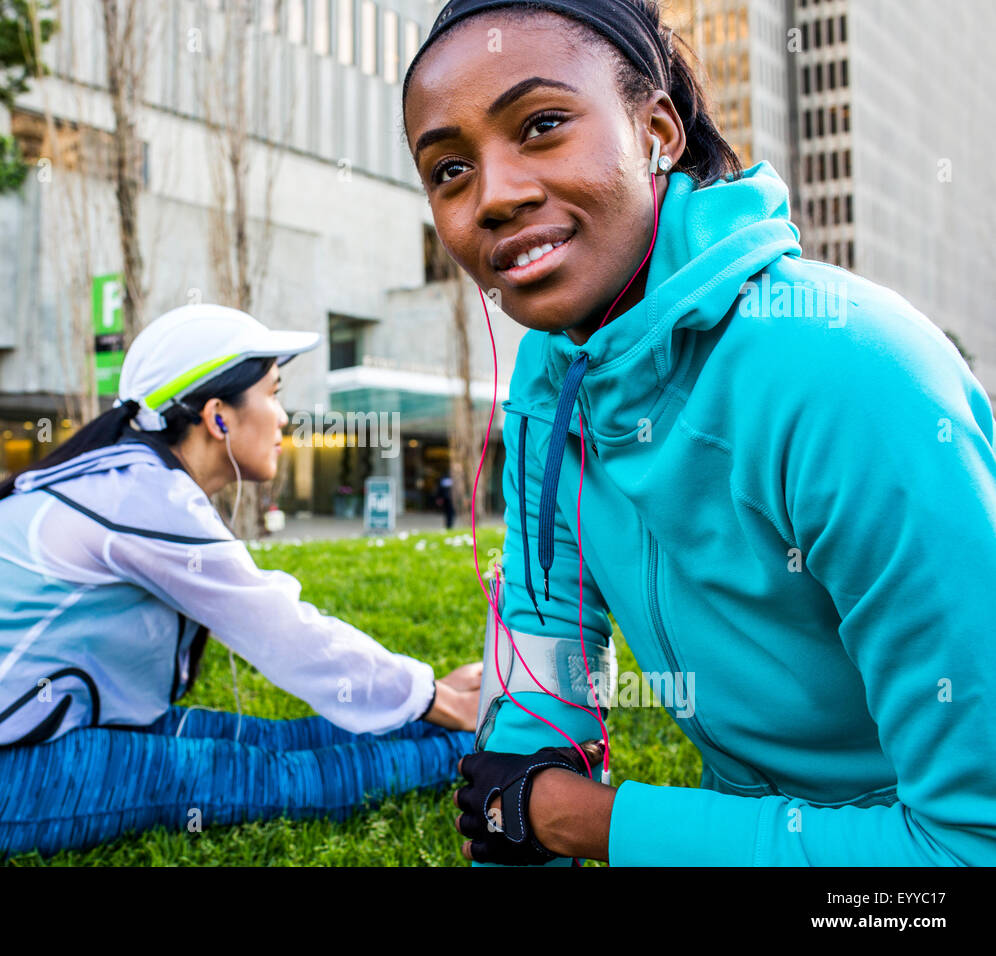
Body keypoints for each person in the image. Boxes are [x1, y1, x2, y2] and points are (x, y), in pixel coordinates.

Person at [402, 0, 996, 866]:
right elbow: (542, 643)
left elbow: (969, 850)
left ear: (657, 132)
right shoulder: (551, 375)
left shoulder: (850, 374)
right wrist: (521, 810)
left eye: (542, 125)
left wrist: (591, 822)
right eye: (449, 169)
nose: (494, 195)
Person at [0, 303, 481, 864]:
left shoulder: (132, 480)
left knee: (257, 740)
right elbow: (283, 632)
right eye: (276, 392)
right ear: (218, 416)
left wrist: (419, 695)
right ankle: (475, 745)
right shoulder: (136, 495)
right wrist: (436, 700)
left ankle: (457, 732)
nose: (287, 418)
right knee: (258, 777)